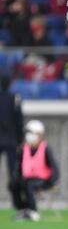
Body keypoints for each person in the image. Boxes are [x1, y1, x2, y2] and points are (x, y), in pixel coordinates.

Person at [9, 120, 59, 221]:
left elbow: (55, 168)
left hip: (43, 180)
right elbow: (18, 168)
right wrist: (16, 178)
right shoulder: (23, 149)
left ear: (40, 134)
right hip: (27, 179)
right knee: (13, 184)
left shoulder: (45, 149)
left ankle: (33, 211)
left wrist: (52, 182)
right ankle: (22, 209)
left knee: (30, 185)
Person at [0, 77, 24, 209]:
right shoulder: (15, 98)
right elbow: (19, 120)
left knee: (14, 173)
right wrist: (19, 139)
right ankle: (17, 203)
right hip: (11, 140)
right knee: (14, 173)